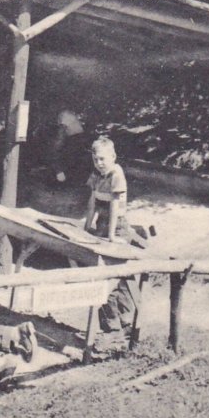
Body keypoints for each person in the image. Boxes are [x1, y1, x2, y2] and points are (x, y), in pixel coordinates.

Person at [83, 136, 136, 336]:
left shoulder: (116, 174)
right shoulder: (96, 175)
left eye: (103, 159)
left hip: (117, 226)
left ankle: (127, 320)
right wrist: (87, 226)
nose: (100, 163)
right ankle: (110, 325)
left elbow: (114, 206)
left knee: (120, 276)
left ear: (113, 156)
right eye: (96, 159)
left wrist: (112, 235)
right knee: (102, 274)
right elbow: (92, 201)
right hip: (103, 225)